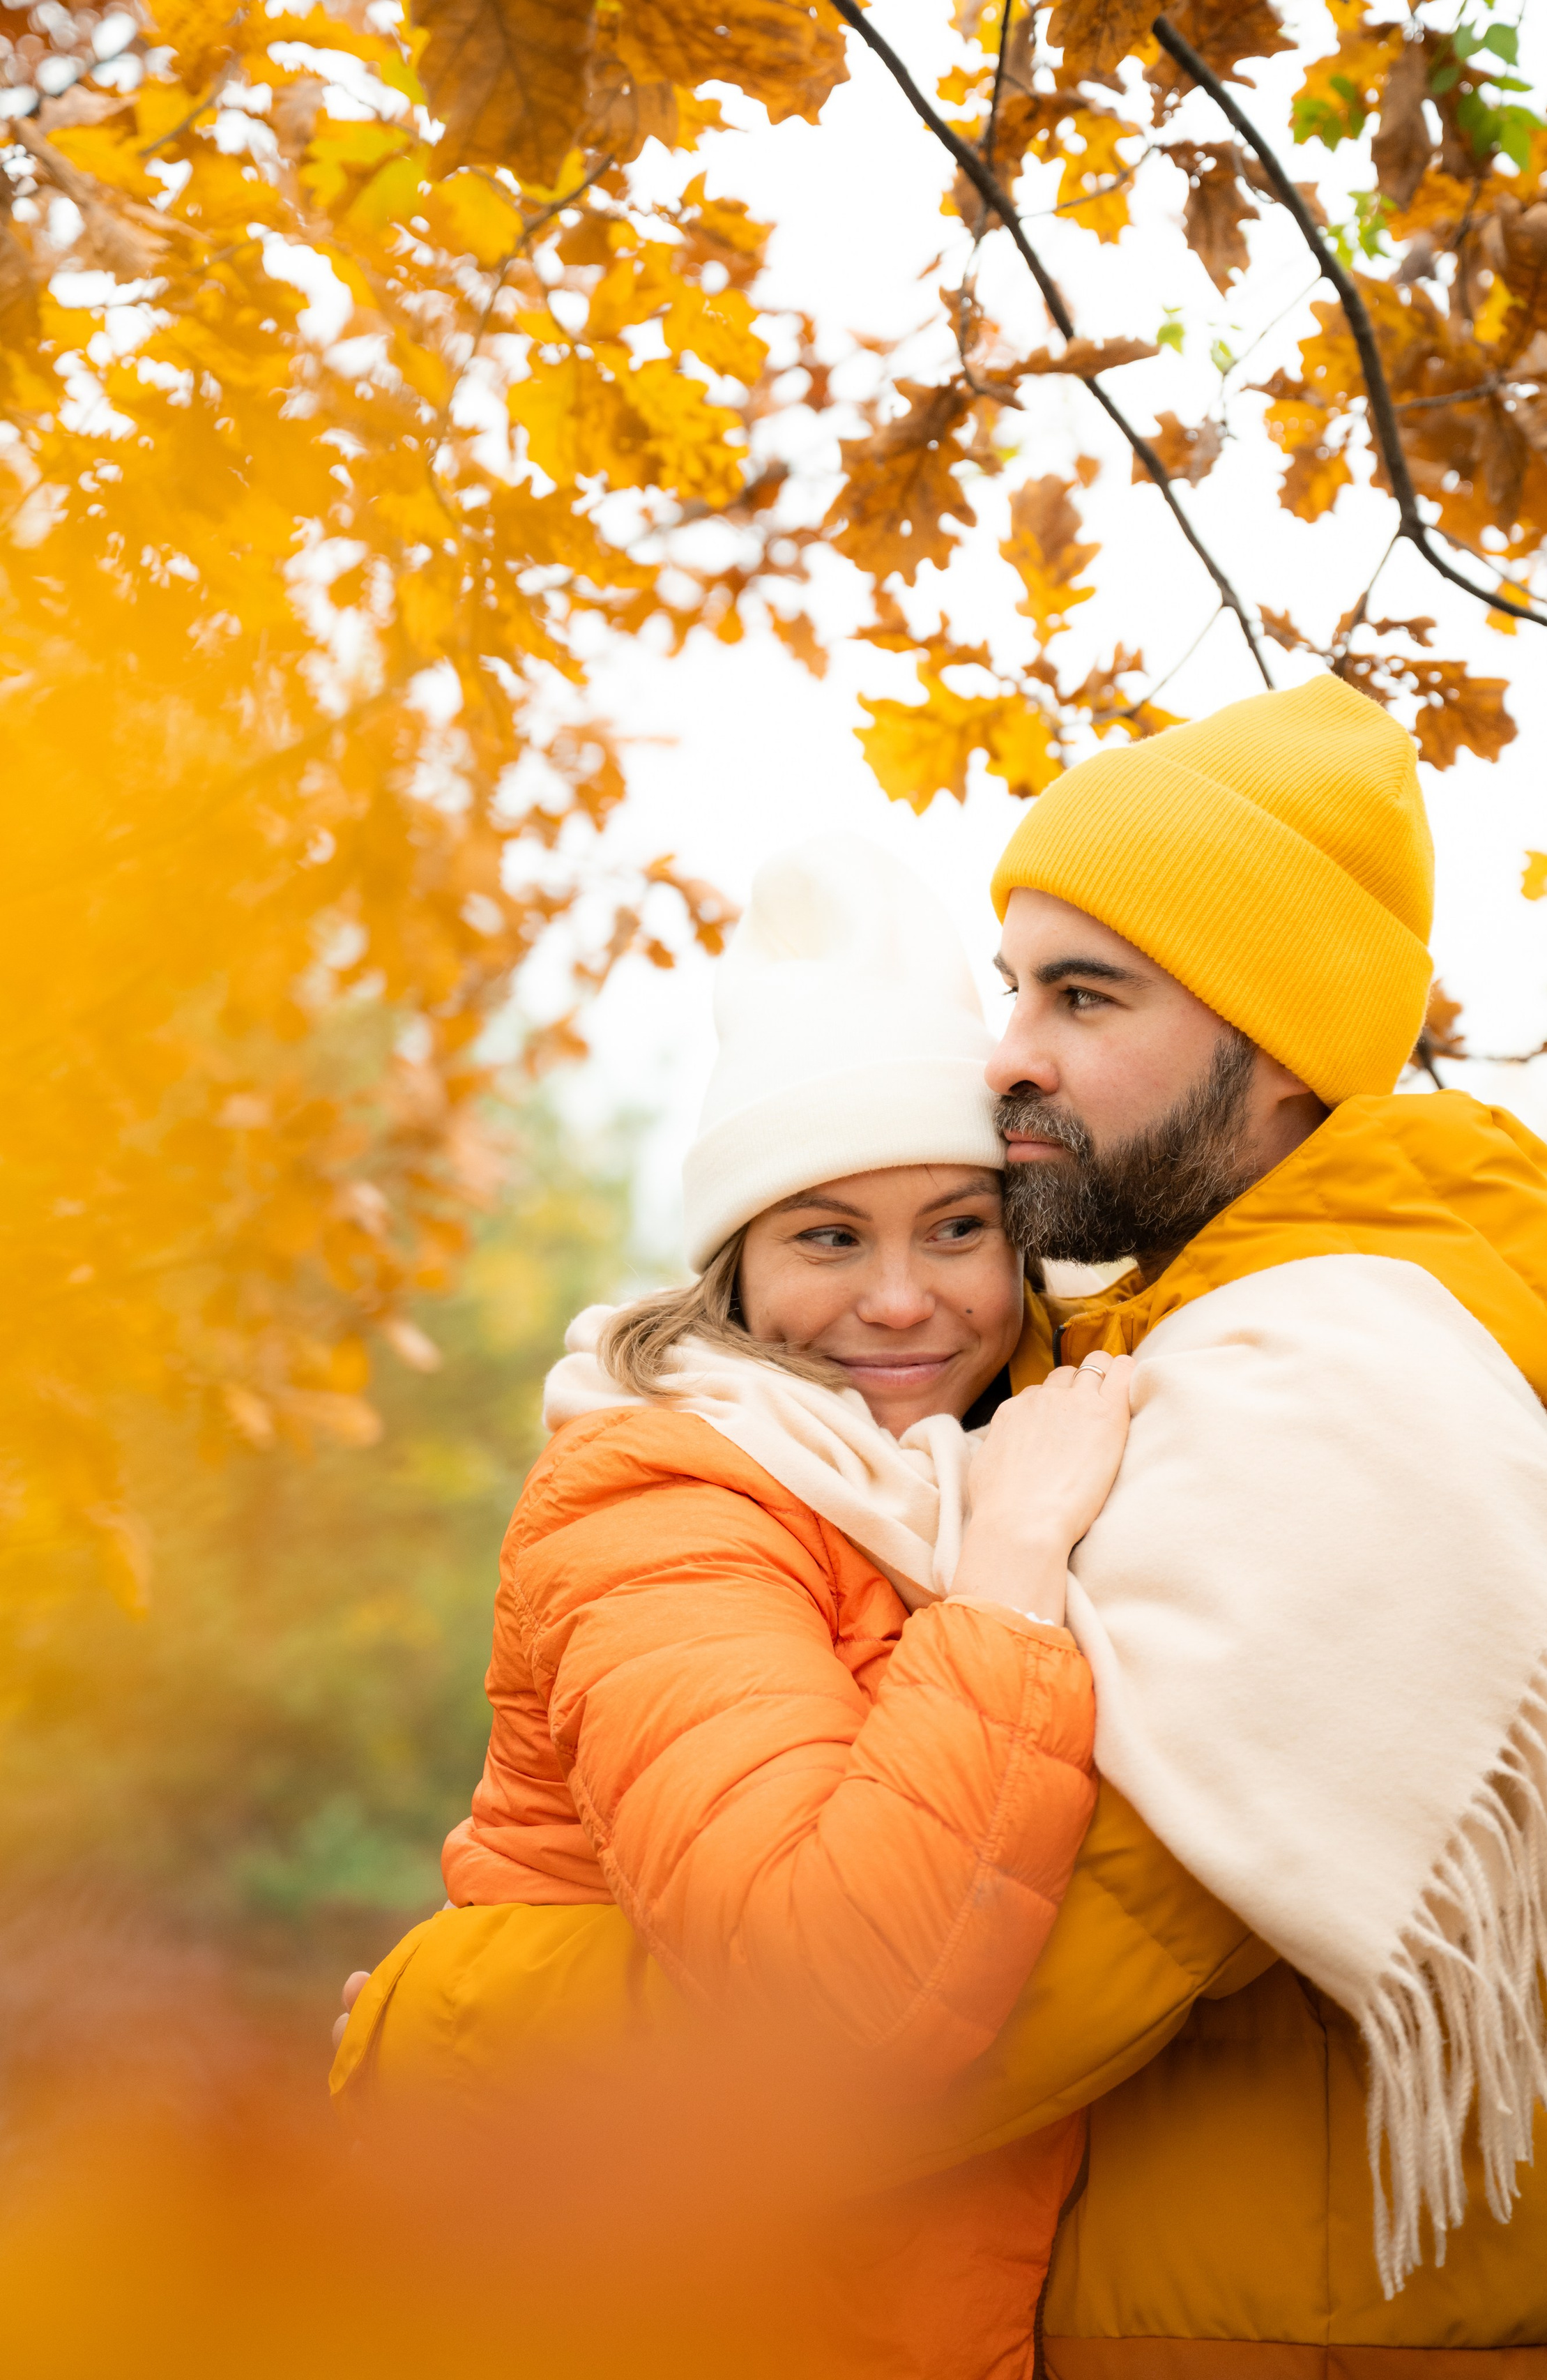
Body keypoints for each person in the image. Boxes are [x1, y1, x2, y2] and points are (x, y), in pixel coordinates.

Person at [333, 835, 1136, 2380]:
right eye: (828, 1235)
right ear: (738, 1273)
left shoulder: (956, 1461)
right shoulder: (661, 1502)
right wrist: (1014, 1571)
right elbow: (833, 1999)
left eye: (957, 1228)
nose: (900, 1299)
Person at [967, 668, 1547, 2374]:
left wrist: (494, 2041)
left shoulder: (1337, 1389)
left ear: (1272, 1047)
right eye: (1007, 991)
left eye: (1081, 995)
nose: (1009, 1057)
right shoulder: (1211, 1344)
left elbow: (1008, 1991)